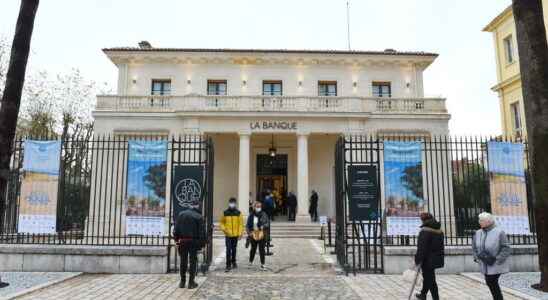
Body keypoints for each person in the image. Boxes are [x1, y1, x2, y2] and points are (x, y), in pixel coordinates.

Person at [472, 212, 511, 300]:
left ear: (488, 222)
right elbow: (474, 247)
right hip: (484, 263)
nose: (479, 222)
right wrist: (476, 257)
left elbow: (506, 248)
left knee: (491, 281)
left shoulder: (499, 232)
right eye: (479, 220)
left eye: (481, 220)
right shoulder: (478, 233)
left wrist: (498, 259)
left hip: (496, 264)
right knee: (491, 283)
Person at [173, 206, 206, 289]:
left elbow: (176, 229)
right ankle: (191, 282)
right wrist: (202, 244)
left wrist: (176, 240)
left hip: (183, 241)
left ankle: (182, 282)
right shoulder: (199, 217)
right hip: (193, 242)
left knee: (183, 261)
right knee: (193, 262)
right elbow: (202, 233)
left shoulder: (181, 214)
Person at [414, 212, 444, 300]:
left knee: (431, 280)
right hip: (436, 258)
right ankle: (423, 294)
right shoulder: (439, 230)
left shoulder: (425, 231)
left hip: (427, 260)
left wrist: (417, 259)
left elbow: (422, 248)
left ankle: (436, 298)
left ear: (423, 220)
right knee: (428, 277)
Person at [219, 197, 244, 272]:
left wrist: (240, 234)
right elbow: (221, 222)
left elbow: (241, 224)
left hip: (235, 234)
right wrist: (224, 229)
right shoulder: (225, 212)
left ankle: (234, 261)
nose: (232, 204)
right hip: (228, 234)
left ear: (235, 204)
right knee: (228, 249)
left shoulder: (238, 213)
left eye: (233, 203)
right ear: (229, 203)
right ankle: (228, 264)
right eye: (231, 203)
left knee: (234, 249)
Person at [246, 201, 270, 270]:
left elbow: (267, 223)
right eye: (257, 206)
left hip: (261, 233)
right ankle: (250, 262)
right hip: (253, 233)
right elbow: (247, 225)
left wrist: (263, 226)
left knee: (261, 249)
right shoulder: (251, 215)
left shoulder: (264, 214)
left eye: (260, 206)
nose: (259, 208)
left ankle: (263, 264)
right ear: (254, 207)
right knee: (253, 249)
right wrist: (249, 233)